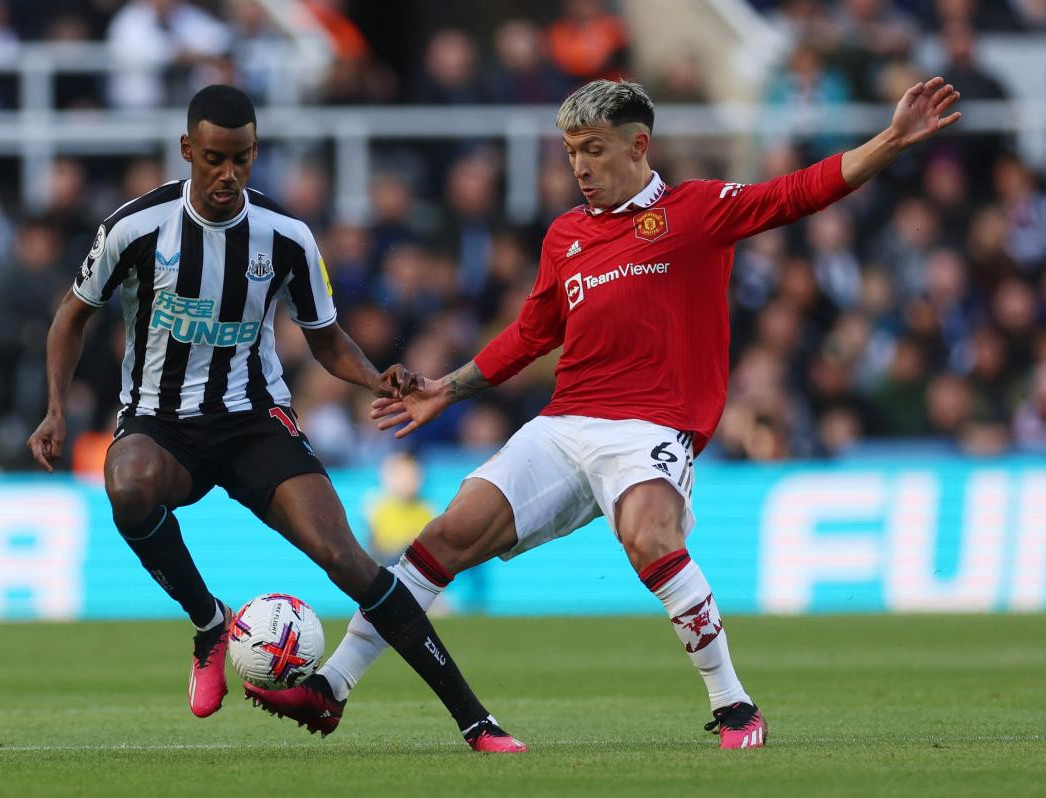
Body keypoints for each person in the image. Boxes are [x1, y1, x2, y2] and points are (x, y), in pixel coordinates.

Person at [250, 77, 962, 749]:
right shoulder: (565, 237)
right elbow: (533, 332)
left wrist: (893, 140)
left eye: (593, 149)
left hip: (653, 427)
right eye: (571, 153)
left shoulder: (696, 211)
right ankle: (332, 686)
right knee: (445, 537)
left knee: (649, 535)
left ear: (637, 146)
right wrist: (448, 387)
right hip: (565, 426)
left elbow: (802, 190)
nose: (580, 166)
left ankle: (733, 702)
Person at [26, 84, 525, 754]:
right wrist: (56, 408)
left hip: (255, 420)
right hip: (162, 423)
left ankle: (475, 720)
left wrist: (379, 375)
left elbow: (324, 337)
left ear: (255, 153)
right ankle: (209, 623)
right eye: (213, 159)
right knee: (128, 485)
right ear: (187, 152)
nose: (228, 173)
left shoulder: (286, 236)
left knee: (346, 560)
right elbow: (71, 317)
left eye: (242, 159)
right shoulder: (135, 228)